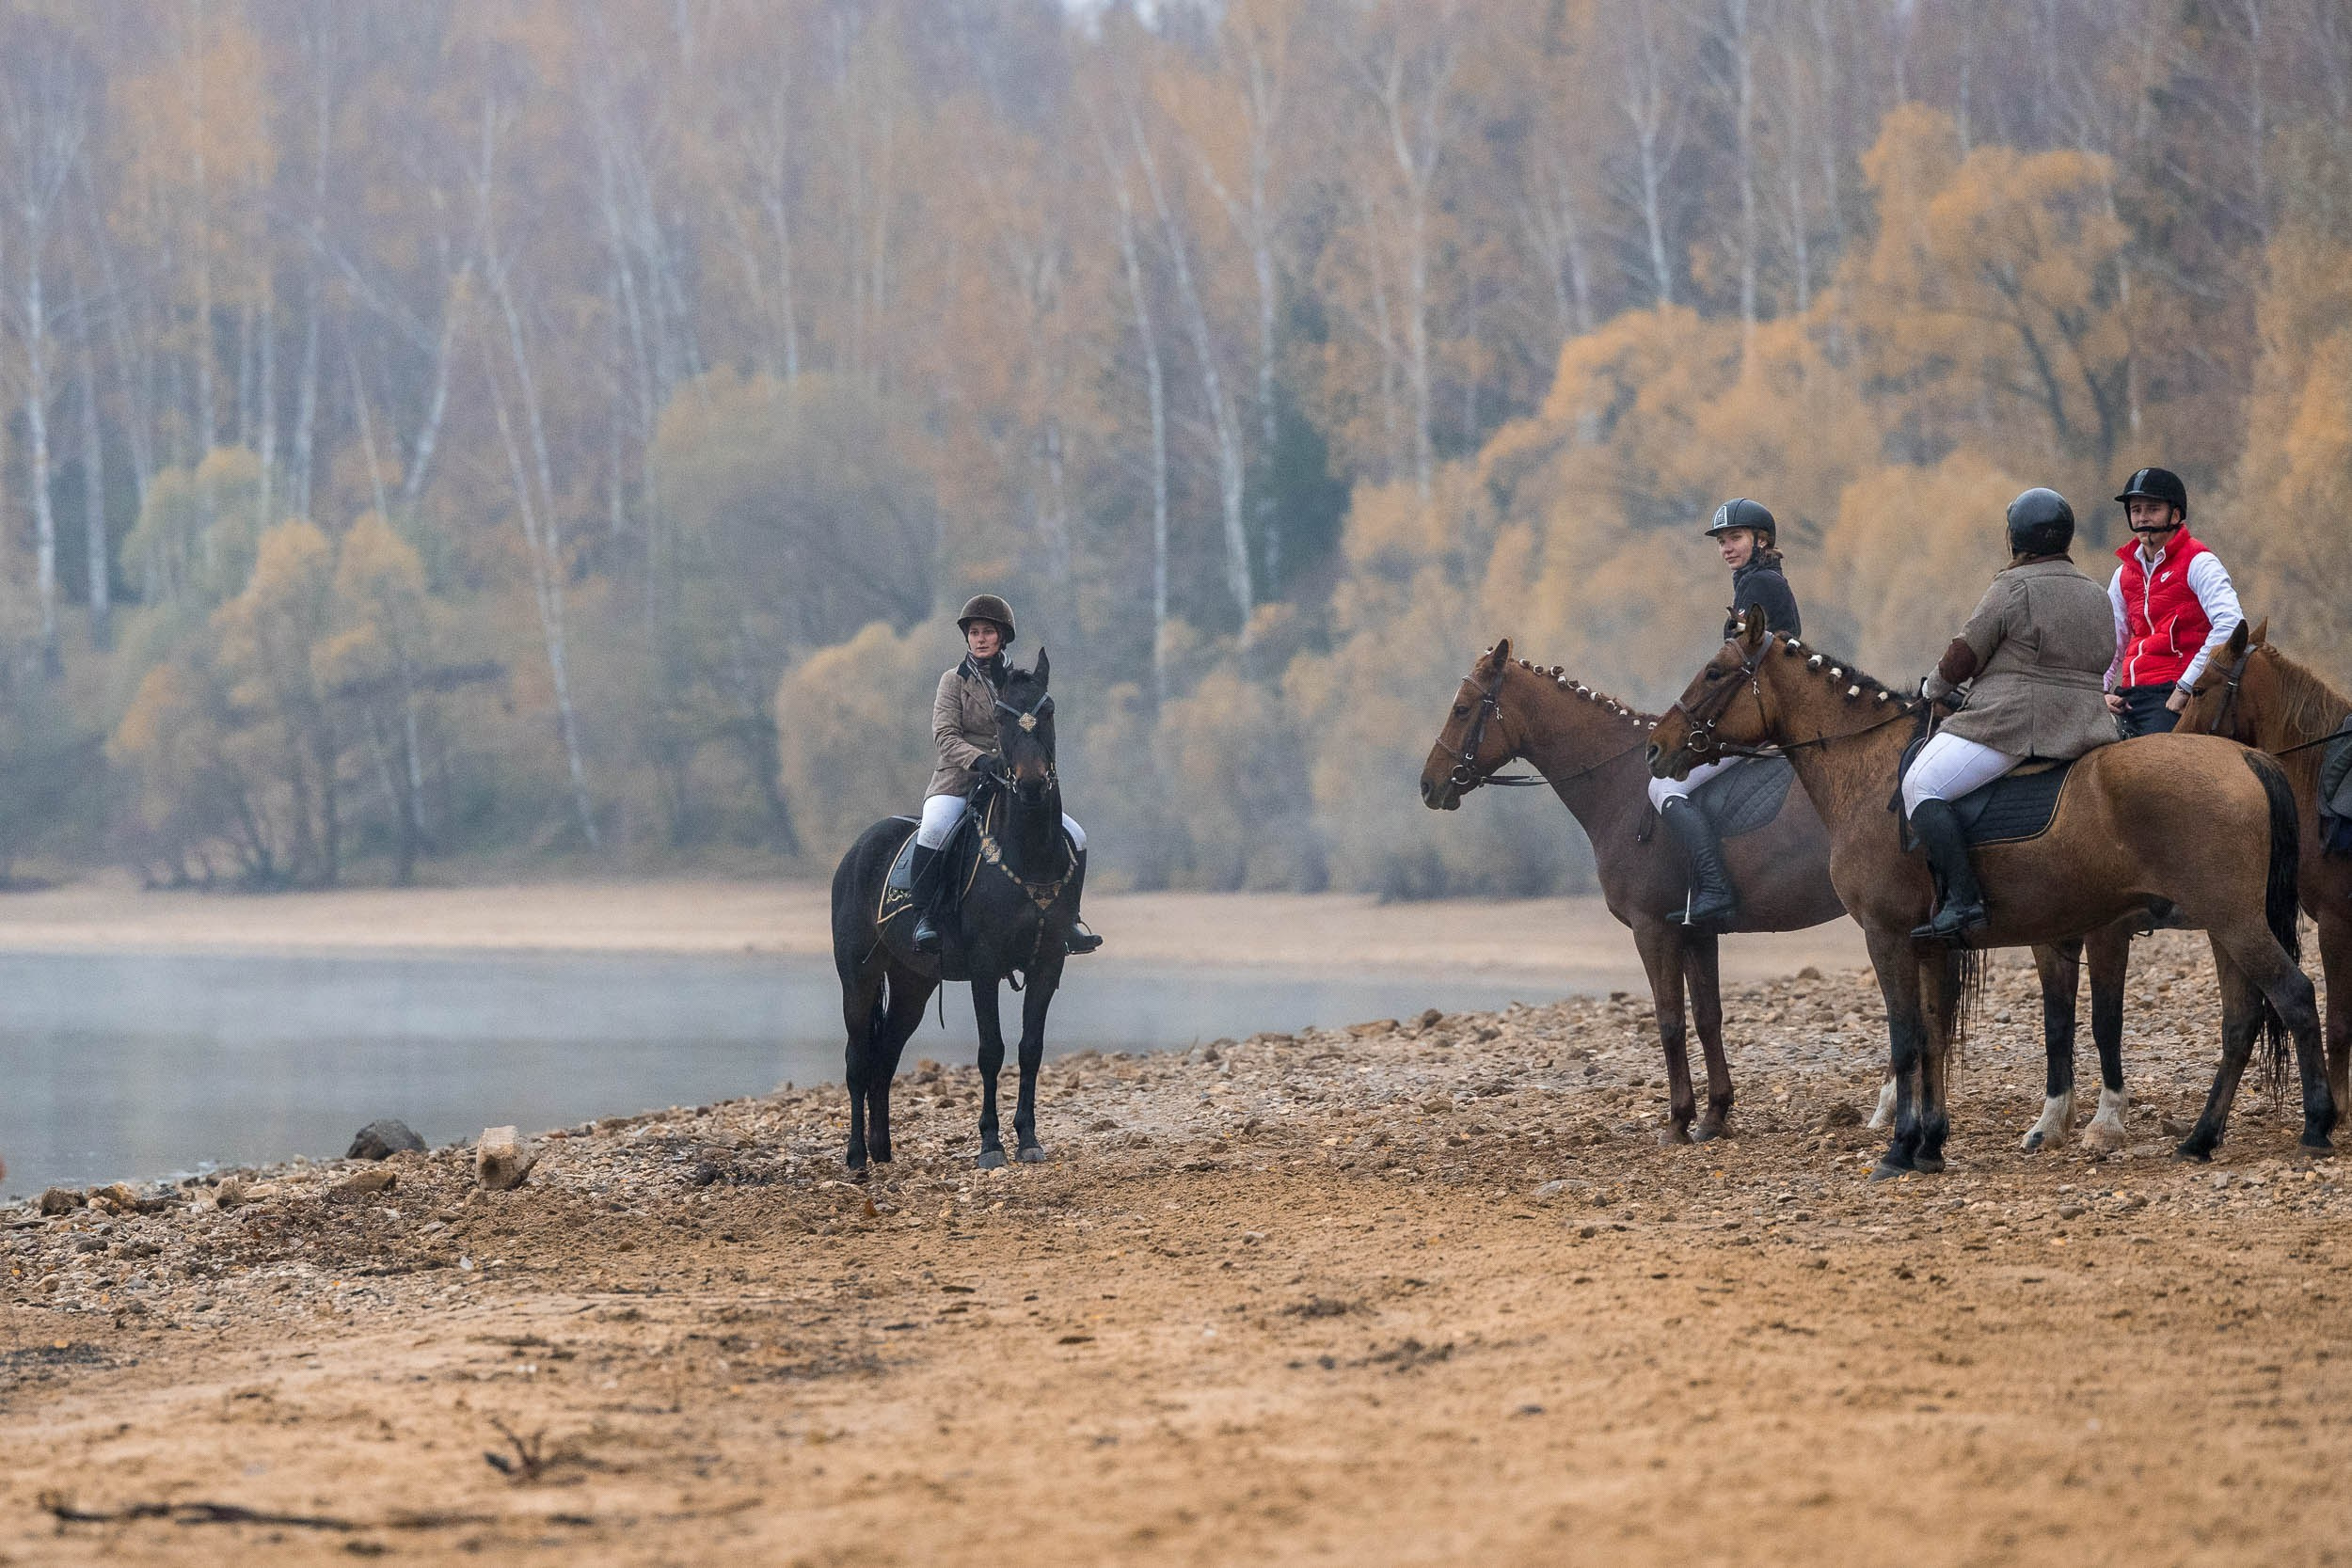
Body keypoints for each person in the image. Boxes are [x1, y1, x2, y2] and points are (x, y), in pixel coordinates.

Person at [1905, 489, 2121, 941]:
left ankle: (1964, 901)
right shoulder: (2097, 592)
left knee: (1920, 784)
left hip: (2015, 723)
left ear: (2016, 538)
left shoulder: (2012, 586)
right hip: (2088, 724)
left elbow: (1965, 653)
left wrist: (1932, 688)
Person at [910, 594, 1101, 957]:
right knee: (934, 828)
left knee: (1076, 835)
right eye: (975, 633)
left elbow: (1030, 728)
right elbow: (945, 736)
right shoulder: (953, 681)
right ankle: (925, 917)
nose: (980, 639)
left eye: (988, 633)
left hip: (1012, 784)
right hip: (959, 779)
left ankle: (1068, 921)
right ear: (967, 638)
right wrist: (980, 760)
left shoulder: (1019, 683)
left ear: (1002, 638)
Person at [1645, 499, 1802, 926]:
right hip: (1765, 707)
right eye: (1721, 541)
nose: (1726, 547)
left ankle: (1714, 889)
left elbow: (1753, 665)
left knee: (1664, 788)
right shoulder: (1758, 580)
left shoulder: (1759, 586)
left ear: (1760, 539)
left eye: (1734, 538)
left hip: (1761, 716)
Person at [2103, 467, 2244, 737]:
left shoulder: (2199, 563)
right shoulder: (2122, 575)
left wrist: (2186, 687)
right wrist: (2099, 694)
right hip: (2128, 695)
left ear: (2175, 514)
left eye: (2152, 509)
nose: (2142, 518)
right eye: (2136, 510)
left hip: (2174, 696)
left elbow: (2231, 624)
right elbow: (2110, 640)